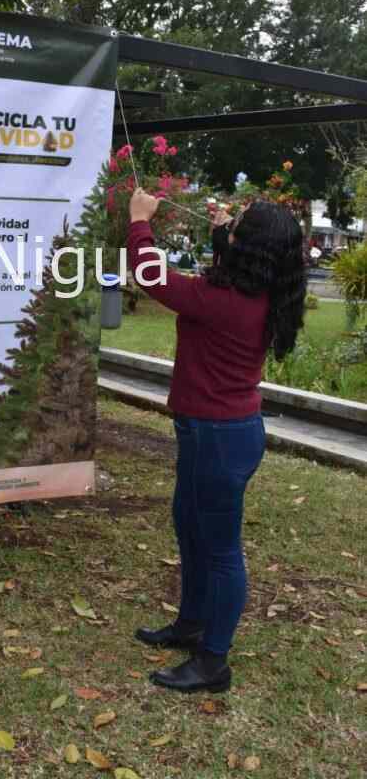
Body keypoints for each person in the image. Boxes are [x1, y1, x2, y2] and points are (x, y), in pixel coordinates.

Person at [128, 192, 307, 693]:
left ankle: (213, 661)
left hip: (219, 438)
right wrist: (222, 229)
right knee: (188, 525)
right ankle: (191, 622)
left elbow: (152, 277)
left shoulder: (222, 301)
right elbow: (234, 264)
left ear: (246, 247)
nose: (232, 223)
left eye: (239, 223)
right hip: (215, 432)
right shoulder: (255, 287)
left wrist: (140, 223)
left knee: (222, 551)